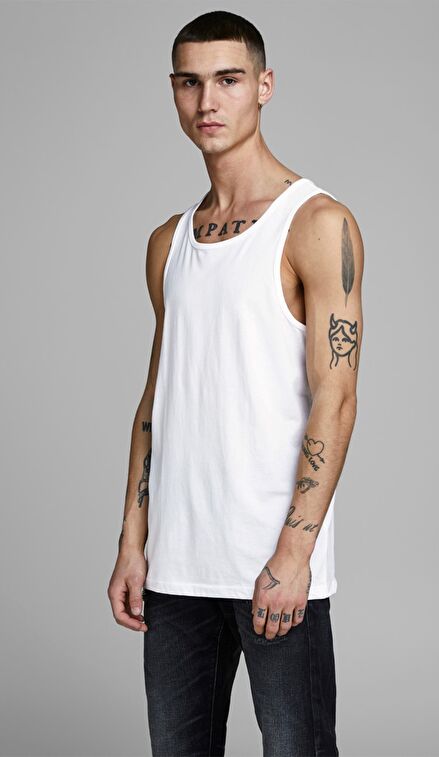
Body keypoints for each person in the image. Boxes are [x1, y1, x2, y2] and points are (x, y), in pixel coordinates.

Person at [107, 10, 364, 757]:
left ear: (264, 85)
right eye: (190, 83)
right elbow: (156, 401)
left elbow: (336, 397)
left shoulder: (317, 222)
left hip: (273, 568)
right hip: (176, 570)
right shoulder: (169, 242)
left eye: (227, 80)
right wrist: (132, 541)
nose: (207, 101)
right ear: (173, 91)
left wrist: (294, 554)